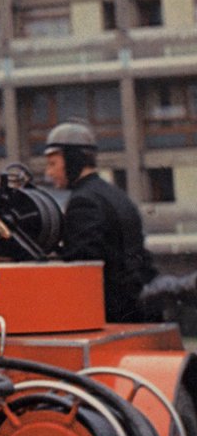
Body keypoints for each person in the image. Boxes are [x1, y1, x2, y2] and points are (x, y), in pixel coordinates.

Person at [44, 121, 163, 322]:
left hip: (113, 314)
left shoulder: (83, 201)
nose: (49, 172)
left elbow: (82, 269)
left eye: (53, 163)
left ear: (72, 159)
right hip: (138, 309)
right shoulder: (115, 194)